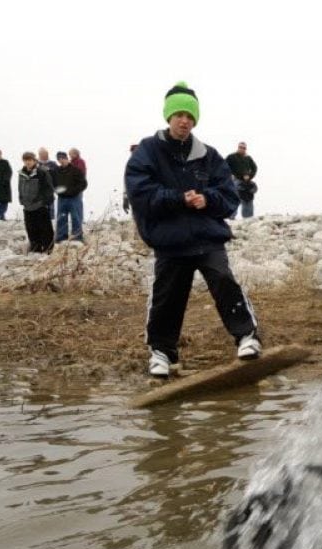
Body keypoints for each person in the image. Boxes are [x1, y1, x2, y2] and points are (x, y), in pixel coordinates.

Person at [126, 81, 262, 377]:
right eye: (179, 115)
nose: (184, 121)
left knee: (224, 281)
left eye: (190, 116)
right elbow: (140, 192)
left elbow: (228, 196)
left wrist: (206, 199)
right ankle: (163, 353)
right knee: (167, 296)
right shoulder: (148, 151)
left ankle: (247, 337)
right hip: (170, 242)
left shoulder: (209, 155)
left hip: (206, 238)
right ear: (168, 117)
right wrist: (178, 198)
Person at [17, 151, 56, 252]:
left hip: (40, 206)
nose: (27, 162)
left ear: (34, 160)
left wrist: (44, 202)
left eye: (29, 160)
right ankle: (35, 249)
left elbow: (49, 188)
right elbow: (20, 187)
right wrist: (21, 200)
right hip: (27, 206)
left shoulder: (42, 172)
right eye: (25, 160)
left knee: (45, 229)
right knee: (31, 229)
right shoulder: (21, 173)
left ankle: (48, 249)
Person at [52, 151, 88, 242]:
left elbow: (83, 183)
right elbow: (53, 183)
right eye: (59, 159)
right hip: (62, 198)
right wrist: (58, 191)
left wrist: (75, 191)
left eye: (63, 158)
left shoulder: (76, 170)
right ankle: (61, 237)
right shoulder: (56, 171)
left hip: (74, 198)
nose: (61, 161)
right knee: (61, 218)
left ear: (67, 158)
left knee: (76, 218)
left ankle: (77, 237)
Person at [226, 141, 258, 218]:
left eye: (244, 148)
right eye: (240, 147)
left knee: (248, 198)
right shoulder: (231, 157)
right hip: (236, 180)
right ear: (238, 147)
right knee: (235, 197)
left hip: (246, 182)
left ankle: (248, 218)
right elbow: (223, 166)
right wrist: (230, 175)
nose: (242, 149)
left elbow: (254, 168)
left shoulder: (248, 158)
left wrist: (250, 176)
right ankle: (231, 217)